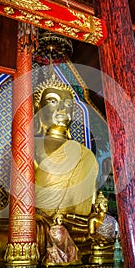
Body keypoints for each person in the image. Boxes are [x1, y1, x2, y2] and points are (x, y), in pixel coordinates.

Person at [33, 75, 99, 220]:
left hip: (75, 224)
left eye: (68, 105)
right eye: (52, 101)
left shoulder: (84, 154)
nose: (62, 108)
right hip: (38, 223)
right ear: (37, 108)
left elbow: (91, 204)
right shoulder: (28, 146)